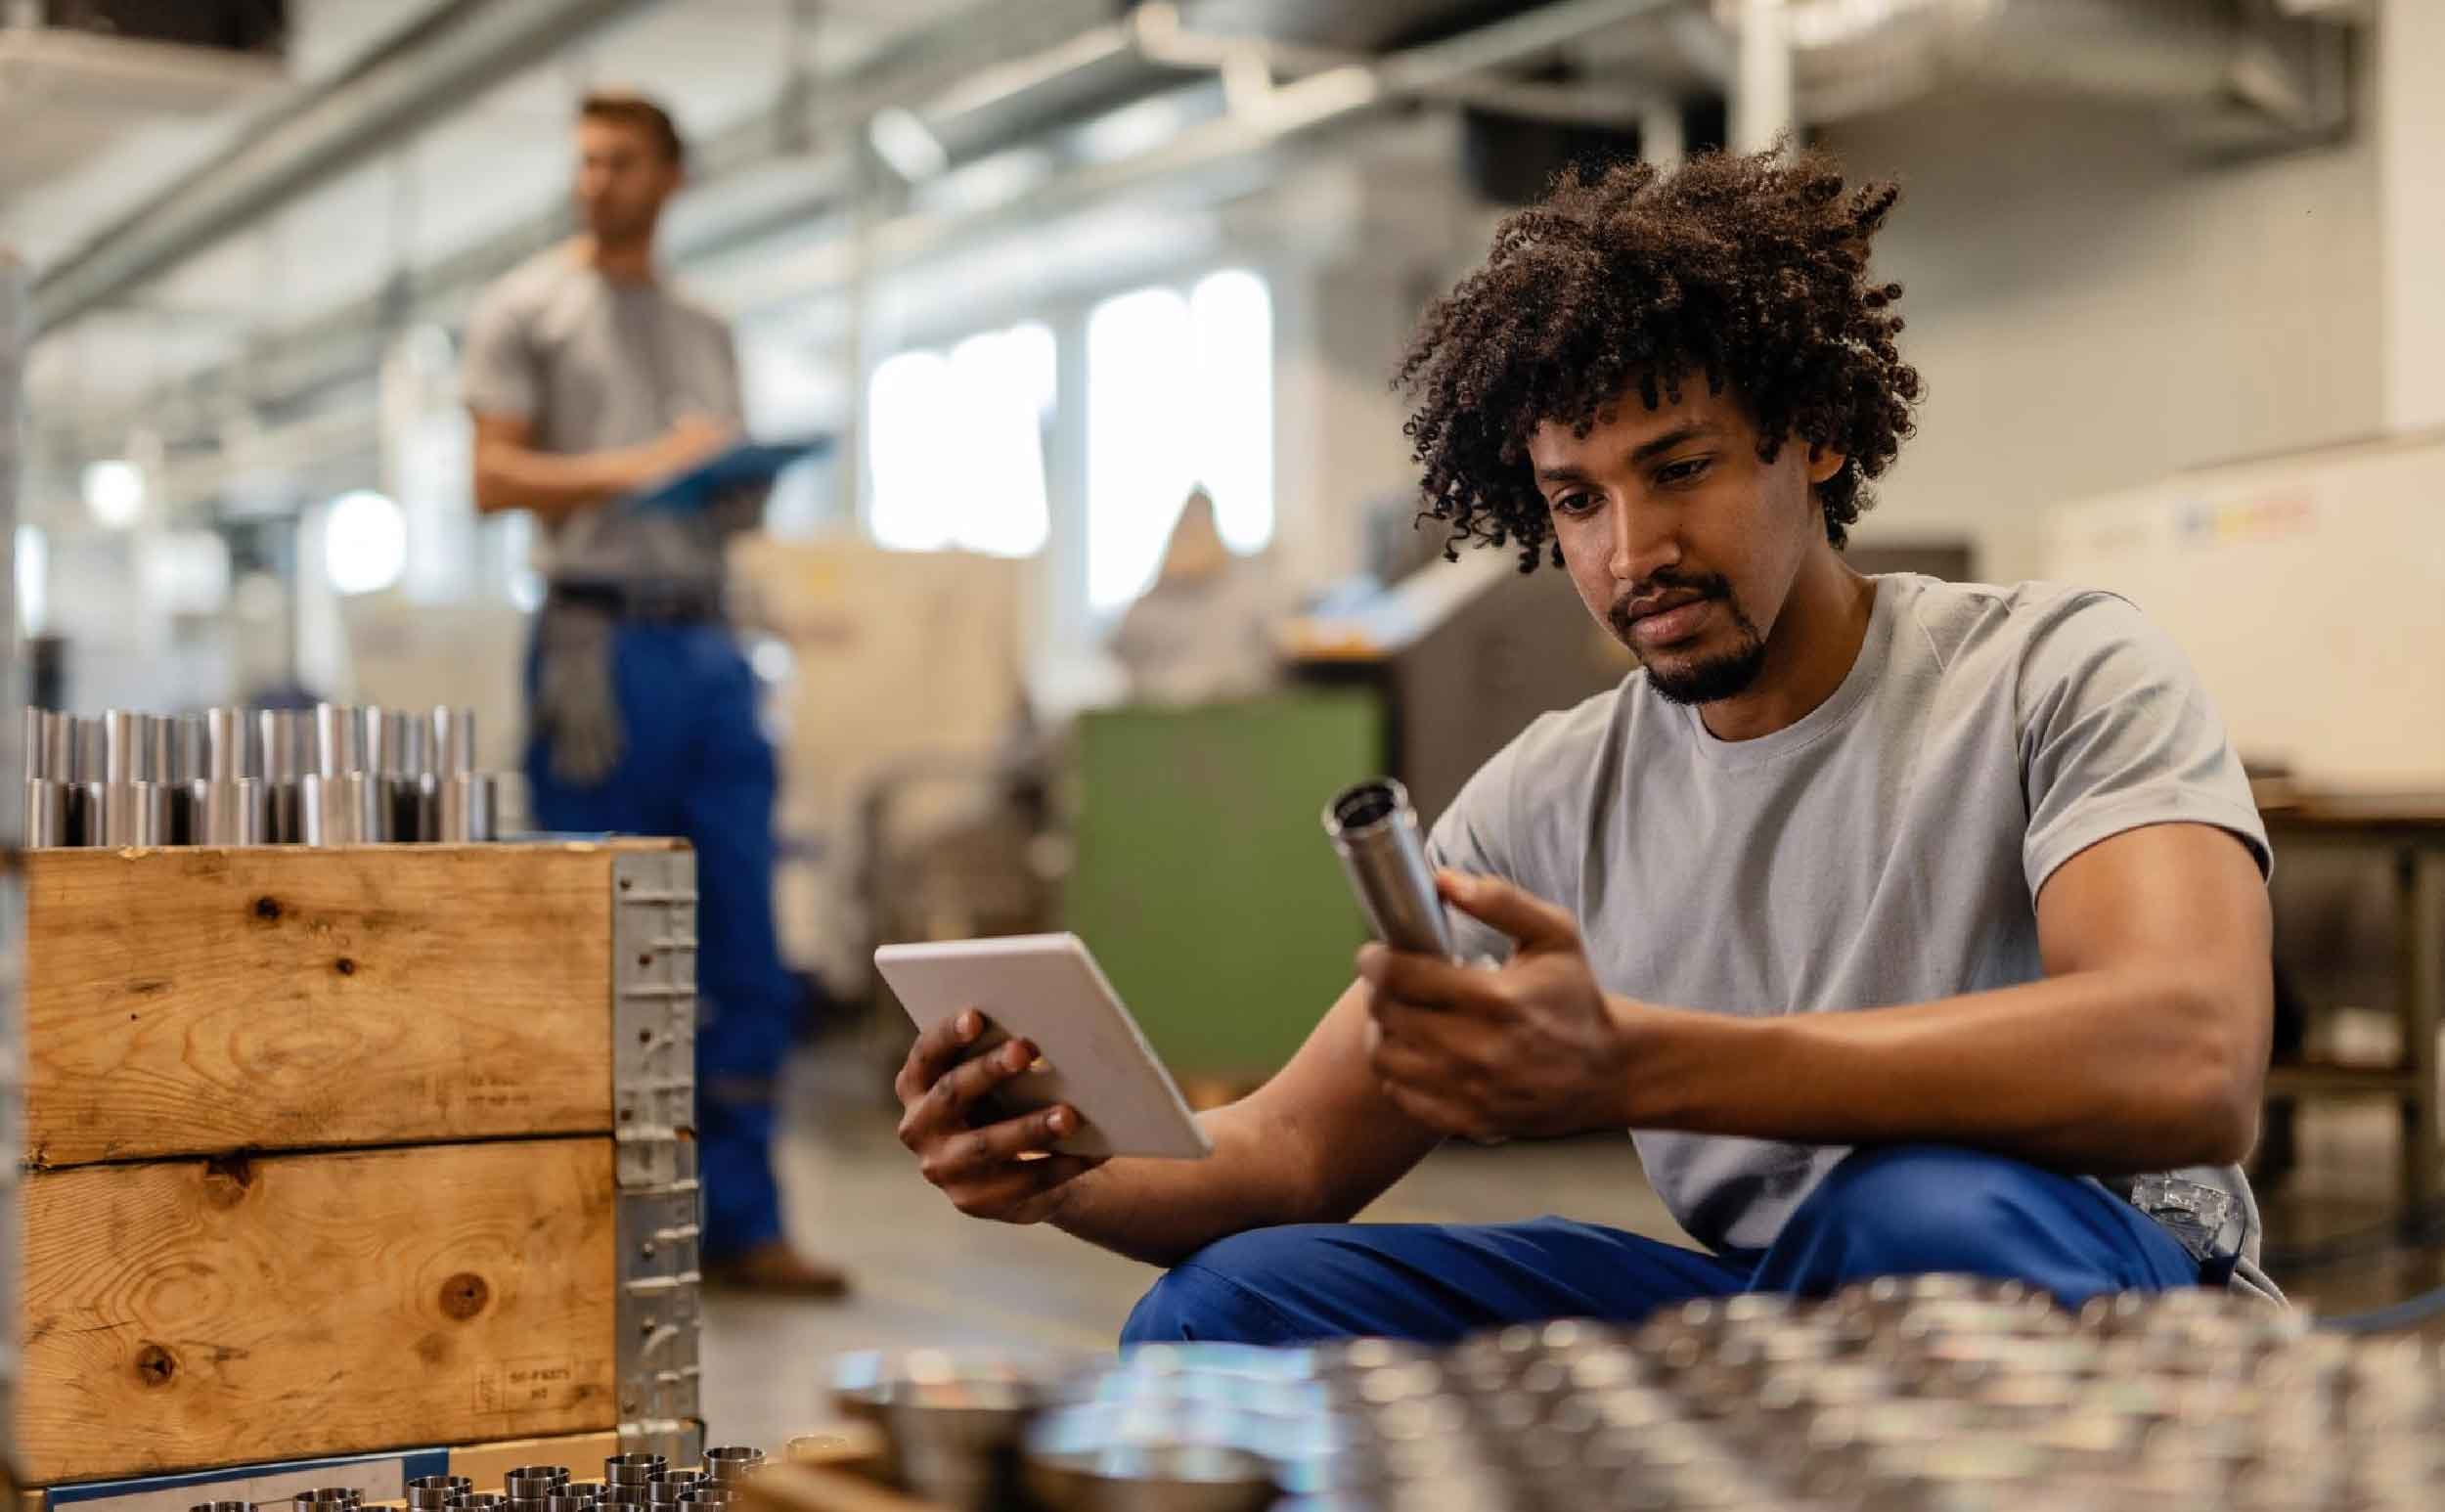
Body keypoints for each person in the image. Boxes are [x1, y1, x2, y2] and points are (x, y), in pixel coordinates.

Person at [890, 144, 2280, 1343]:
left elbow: (2188, 1055)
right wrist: (1054, 1164)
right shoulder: (1552, 795)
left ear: (1817, 437)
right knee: (1231, 1306)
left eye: (1681, 469)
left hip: (2085, 1276)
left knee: (1919, 1206)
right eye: (1576, 499)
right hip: (1769, 1306)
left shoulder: (2056, 668)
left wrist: (1635, 1062)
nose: (1635, 552)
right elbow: (1292, 1149)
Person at [463, 89, 846, 1297]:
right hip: (598, 652)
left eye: (621, 161)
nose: (596, 180)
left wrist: (731, 483)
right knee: (598, 933)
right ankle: (586, 1234)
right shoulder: (525, 306)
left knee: (738, 929)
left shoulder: (705, 325)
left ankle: (743, 1217)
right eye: (583, 160)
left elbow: (706, 474)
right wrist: (645, 467)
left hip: (707, 644)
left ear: (672, 176)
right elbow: (489, 476)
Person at [1108, 486, 1286, 705]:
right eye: (1188, 527)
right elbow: (1122, 651)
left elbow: (1272, 653)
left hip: (1232, 710)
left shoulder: (1245, 595)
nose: (1194, 536)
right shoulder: (1152, 603)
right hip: (1163, 713)